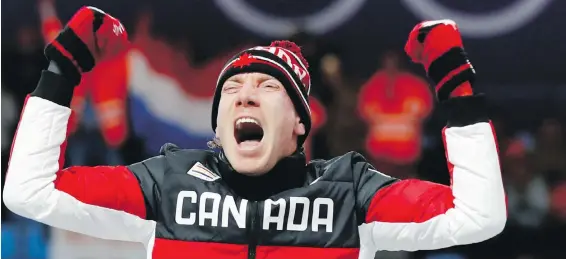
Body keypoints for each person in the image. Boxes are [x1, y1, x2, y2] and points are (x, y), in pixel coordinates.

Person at [3, 8, 506, 259]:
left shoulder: (350, 193)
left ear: (301, 125)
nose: (244, 95)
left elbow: (478, 216)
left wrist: (457, 84)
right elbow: (28, 192)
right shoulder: (167, 185)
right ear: (218, 126)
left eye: (268, 86)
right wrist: (61, 69)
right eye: (232, 89)